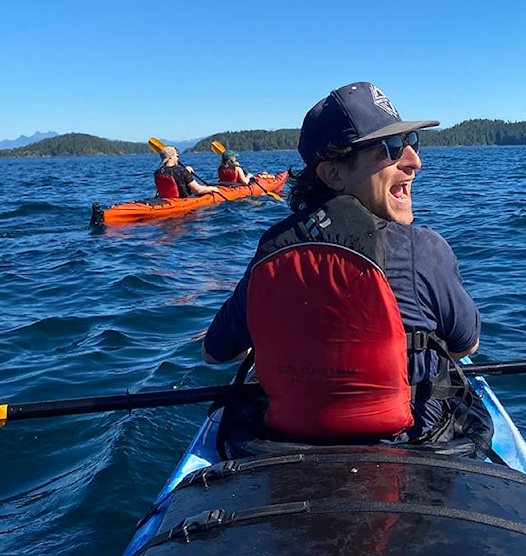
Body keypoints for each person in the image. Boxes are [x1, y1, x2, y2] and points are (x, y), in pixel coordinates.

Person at [202, 81, 490, 457]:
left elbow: (214, 354)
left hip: (283, 451)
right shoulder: (426, 250)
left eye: (411, 141)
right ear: (334, 174)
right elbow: (465, 346)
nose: (414, 161)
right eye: (390, 149)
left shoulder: (273, 250)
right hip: (413, 447)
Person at [154, 146, 221, 198]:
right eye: (177, 156)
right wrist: (213, 188)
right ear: (171, 157)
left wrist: (186, 172)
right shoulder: (181, 170)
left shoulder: (158, 172)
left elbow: (173, 175)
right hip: (184, 199)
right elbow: (198, 190)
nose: (177, 158)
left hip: (168, 199)